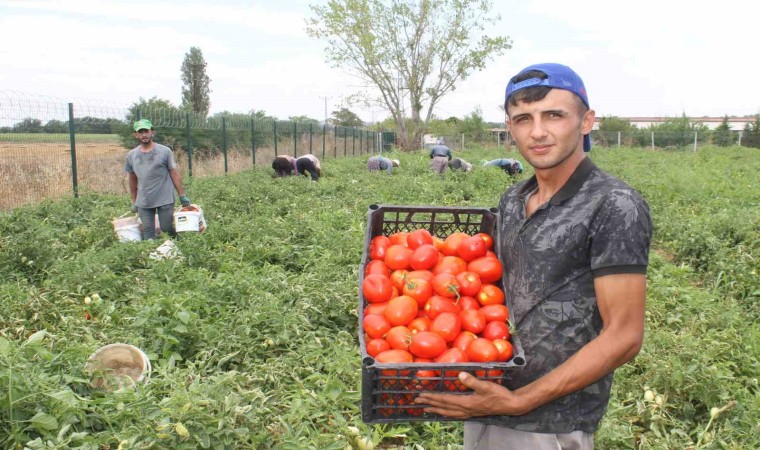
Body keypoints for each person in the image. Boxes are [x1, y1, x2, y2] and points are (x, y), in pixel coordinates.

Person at [416, 63, 653, 450]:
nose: (537, 132)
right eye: (523, 119)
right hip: (486, 397)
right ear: (510, 128)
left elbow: (625, 336)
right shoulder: (513, 198)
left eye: (554, 115)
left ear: (586, 121)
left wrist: (520, 400)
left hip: (550, 422)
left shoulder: (614, 204)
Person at [125, 119, 191, 240]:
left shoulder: (164, 151)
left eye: (146, 131)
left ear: (152, 133)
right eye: (140, 132)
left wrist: (182, 195)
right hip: (144, 200)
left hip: (164, 198)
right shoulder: (132, 155)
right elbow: (132, 178)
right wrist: (134, 200)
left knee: (166, 228)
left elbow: (174, 174)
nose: (144, 135)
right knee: (148, 232)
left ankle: (178, 245)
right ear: (135, 135)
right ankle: (152, 251)